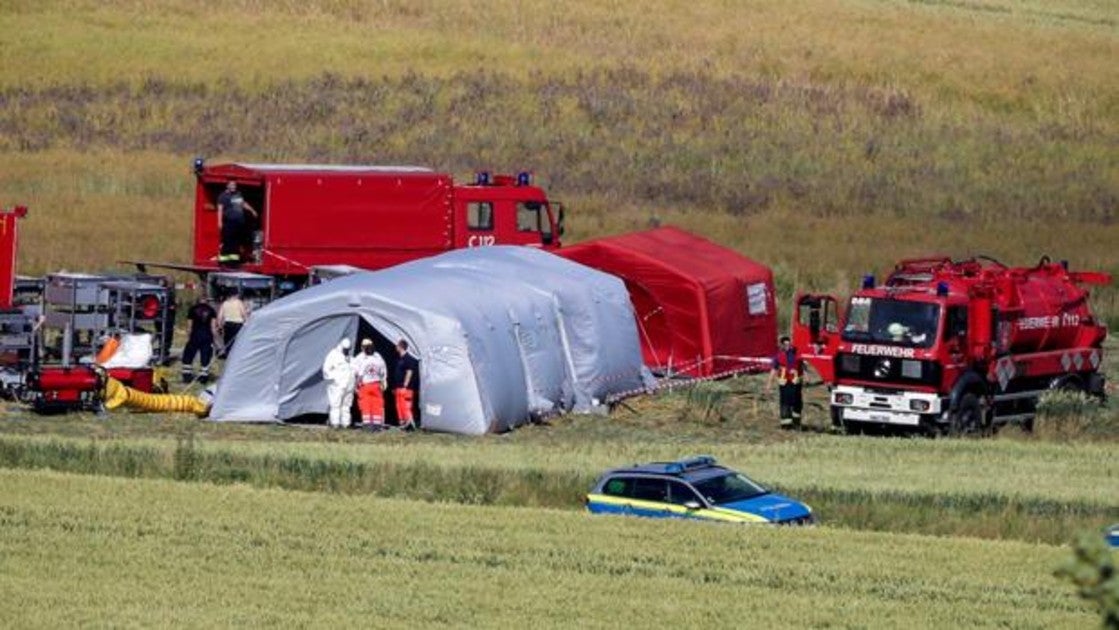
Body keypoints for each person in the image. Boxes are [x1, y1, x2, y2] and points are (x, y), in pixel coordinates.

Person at [767, 336, 805, 429]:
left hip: (796, 382)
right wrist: (769, 383)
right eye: (785, 344)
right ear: (782, 345)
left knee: (797, 402)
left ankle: (796, 422)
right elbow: (773, 370)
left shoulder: (797, 354)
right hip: (784, 383)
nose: (787, 345)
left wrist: (807, 377)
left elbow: (802, 365)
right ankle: (786, 424)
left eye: (789, 343)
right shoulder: (778, 356)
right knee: (785, 403)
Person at [216, 180, 257, 265]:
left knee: (236, 242)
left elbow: (243, 203)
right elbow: (220, 209)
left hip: (239, 222)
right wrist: (220, 222)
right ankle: (224, 261)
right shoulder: (223, 196)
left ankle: (234, 261)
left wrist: (252, 210)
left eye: (234, 185)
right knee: (228, 242)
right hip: (229, 222)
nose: (234, 186)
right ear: (227, 186)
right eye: (231, 185)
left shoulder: (238, 194)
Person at [181, 296, 219, 383]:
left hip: (195, 335)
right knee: (205, 356)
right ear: (206, 300)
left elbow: (189, 326)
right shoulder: (211, 310)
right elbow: (213, 327)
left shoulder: (193, 309)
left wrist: (189, 336)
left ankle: (187, 376)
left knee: (188, 356)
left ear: (198, 300)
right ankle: (203, 377)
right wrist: (215, 339)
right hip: (207, 336)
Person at [351, 338, 388, 429]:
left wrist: (356, 385)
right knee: (377, 404)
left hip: (366, 385)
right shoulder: (378, 360)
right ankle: (377, 425)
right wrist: (383, 382)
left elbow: (359, 374)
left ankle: (367, 425)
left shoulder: (364, 361)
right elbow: (383, 372)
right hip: (376, 385)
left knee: (366, 405)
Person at [322, 338, 355, 429]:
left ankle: (346, 424)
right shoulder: (333, 355)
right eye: (345, 349)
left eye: (348, 349)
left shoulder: (349, 357)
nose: (347, 351)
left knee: (346, 405)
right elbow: (326, 369)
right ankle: (335, 423)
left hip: (349, 385)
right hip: (337, 385)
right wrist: (334, 379)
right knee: (335, 404)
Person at [392, 339, 419, 430]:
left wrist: (405, 385)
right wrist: (395, 387)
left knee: (406, 407)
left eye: (397, 345)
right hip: (398, 388)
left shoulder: (408, 359)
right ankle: (402, 424)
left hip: (406, 388)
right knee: (399, 406)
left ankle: (411, 426)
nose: (396, 347)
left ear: (401, 347)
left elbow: (409, 372)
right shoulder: (399, 359)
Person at [217, 292, 249, 358]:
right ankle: (236, 356)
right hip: (238, 324)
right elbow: (243, 314)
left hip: (228, 324)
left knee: (228, 341)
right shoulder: (239, 303)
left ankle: (228, 355)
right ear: (236, 295)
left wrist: (219, 325)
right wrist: (247, 322)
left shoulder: (225, 303)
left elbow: (220, 316)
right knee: (237, 341)